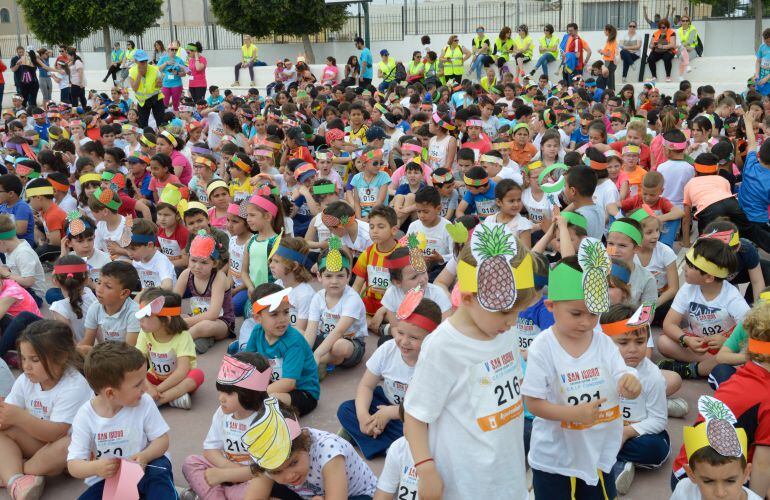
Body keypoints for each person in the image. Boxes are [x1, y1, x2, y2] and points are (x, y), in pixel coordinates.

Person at [405, 226, 535, 500]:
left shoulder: (504, 329)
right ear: (467, 298)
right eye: (504, 313)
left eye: (517, 313)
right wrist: (426, 469)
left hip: (508, 474)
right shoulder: (442, 347)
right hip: (465, 484)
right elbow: (415, 416)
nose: (512, 322)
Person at [524, 247, 642, 499]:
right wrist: (571, 414)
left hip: (599, 450)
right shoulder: (542, 348)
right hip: (556, 458)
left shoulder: (602, 342)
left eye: (594, 313)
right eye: (576, 314)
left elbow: (624, 374)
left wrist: (630, 382)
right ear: (550, 306)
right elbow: (532, 403)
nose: (586, 322)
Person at [67, 341, 176, 499]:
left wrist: (145, 456)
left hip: (148, 467)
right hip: (109, 480)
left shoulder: (144, 402)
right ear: (111, 393)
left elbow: (162, 440)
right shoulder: (85, 416)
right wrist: (96, 467)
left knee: (159, 474)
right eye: (138, 384)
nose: (145, 388)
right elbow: (74, 465)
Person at [0, 320, 93, 499]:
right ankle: (16, 481)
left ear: (61, 357)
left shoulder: (73, 385)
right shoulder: (26, 379)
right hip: (41, 442)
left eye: (35, 360)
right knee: (4, 431)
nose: (26, 366)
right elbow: (9, 412)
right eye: (23, 358)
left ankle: (16, 470)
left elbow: (57, 434)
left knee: (68, 444)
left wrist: (20, 418)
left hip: (69, 451)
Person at [181, 352, 272, 499]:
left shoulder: (266, 420)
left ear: (249, 394)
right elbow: (210, 450)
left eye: (229, 394)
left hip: (250, 478)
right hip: (223, 469)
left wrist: (226, 474)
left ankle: (208, 493)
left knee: (258, 487)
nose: (221, 398)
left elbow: (265, 469)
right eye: (221, 391)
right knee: (191, 462)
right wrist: (225, 468)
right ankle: (215, 494)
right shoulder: (222, 413)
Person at [244, 283, 320, 415]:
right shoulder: (257, 331)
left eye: (286, 312)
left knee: (270, 400)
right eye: (274, 314)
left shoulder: (293, 342)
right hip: (273, 383)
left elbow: (289, 383)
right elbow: (248, 362)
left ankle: (281, 419)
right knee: (240, 388)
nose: (282, 319)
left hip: (302, 392)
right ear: (257, 318)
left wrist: (256, 394)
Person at [135, 287, 205, 409]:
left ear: (165, 320)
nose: (140, 320)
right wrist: (149, 385)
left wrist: (157, 390)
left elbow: (182, 371)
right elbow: (136, 363)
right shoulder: (145, 333)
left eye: (145, 316)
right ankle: (175, 398)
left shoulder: (183, 336)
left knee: (197, 375)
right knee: (131, 375)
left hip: (178, 380)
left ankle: (160, 400)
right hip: (155, 378)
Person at [127, 50, 165, 128]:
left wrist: (159, 84)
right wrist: (139, 75)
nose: (144, 63)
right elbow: (134, 88)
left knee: (161, 123)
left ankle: (161, 138)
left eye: (145, 61)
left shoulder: (155, 69)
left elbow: (159, 86)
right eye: (141, 61)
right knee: (143, 125)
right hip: (142, 101)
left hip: (156, 98)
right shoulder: (132, 71)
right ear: (136, 61)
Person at [157, 42, 188, 112]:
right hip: (165, 84)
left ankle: (176, 120)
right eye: (172, 49)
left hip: (176, 84)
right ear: (168, 50)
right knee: (164, 103)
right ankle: (164, 120)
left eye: (175, 50)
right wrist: (166, 63)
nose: (174, 51)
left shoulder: (179, 60)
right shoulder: (163, 59)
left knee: (176, 104)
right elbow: (157, 69)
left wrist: (177, 72)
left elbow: (185, 72)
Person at [600, 24, 619, 90]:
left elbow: (609, 54)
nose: (604, 32)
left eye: (604, 30)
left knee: (609, 81)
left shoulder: (611, 41)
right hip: (611, 62)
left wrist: (601, 51)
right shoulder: (612, 40)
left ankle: (611, 95)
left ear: (608, 31)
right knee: (610, 80)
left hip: (609, 62)